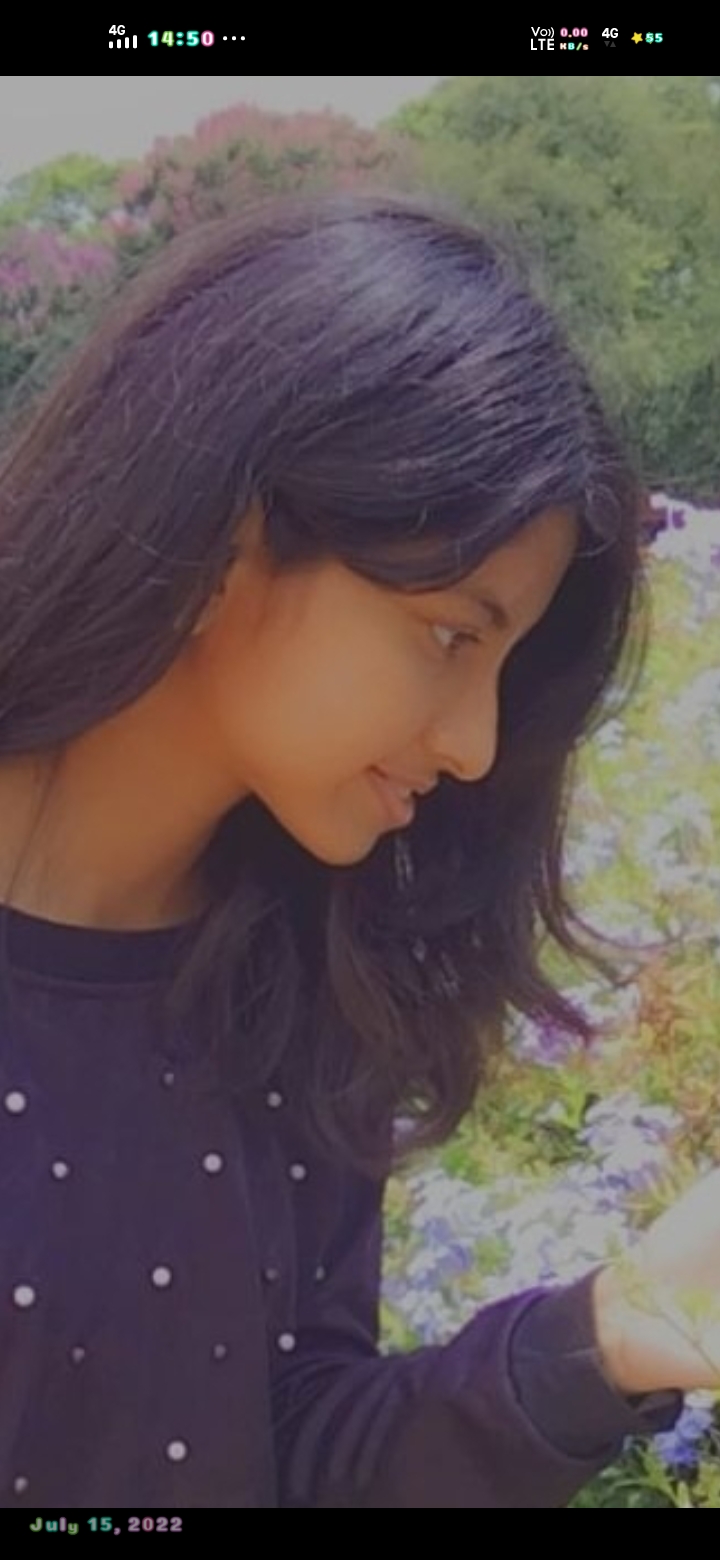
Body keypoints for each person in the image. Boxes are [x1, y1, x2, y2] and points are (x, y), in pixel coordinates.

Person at [0, 185, 709, 1511]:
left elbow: (288, 1450)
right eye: (451, 634)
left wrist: (607, 1339)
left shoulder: (298, 985)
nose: (478, 745)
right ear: (230, 538)